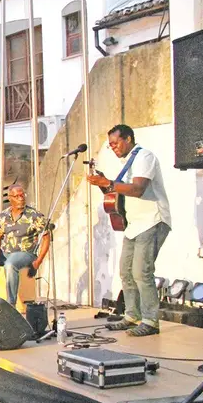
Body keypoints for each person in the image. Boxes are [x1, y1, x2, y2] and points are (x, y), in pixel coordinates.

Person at [87, 124, 171, 337]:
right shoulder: (127, 163)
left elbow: (138, 189)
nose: (113, 148)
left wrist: (109, 183)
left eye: (116, 143)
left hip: (152, 220)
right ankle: (132, 316)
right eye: (110, 145)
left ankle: (151, 321)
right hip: (134, 225)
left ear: (129, 138)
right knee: (126, 272)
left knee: (142, 272)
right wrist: (102, 183)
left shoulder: (144, 157)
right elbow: (117, 190)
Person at [0, 184, 50, 306]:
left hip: (26, 254)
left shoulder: (34, 215)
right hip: (6, 253)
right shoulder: (4, 216)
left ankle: (10, 304)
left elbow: (46, 238)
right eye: (17, 196)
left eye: (22, 195)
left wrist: (39, 261)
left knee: (10, 264)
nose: (21, 198)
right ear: (10, 198)